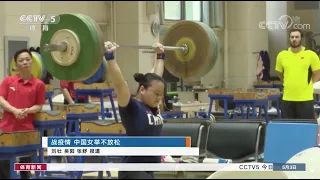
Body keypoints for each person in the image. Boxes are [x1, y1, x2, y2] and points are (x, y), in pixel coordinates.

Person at [104, 41, 165, 179]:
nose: (159, 98)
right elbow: (120, 84)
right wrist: (110, 57)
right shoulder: (132, 108)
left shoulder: (153, 107)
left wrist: (160, 56)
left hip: (147, 171)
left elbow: (156, 77)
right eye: (156, 94)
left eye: (161, 95)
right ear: (142, 89)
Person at [0, 49, 46, 179]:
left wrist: (27, 110)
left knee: (25, 166)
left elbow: (39, 105)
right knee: (3, 163)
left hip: (26, 130)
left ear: (32, 62)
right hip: (6, 129)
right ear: (16, 64)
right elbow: (1, 99)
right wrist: (14, 110)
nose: (25, 62)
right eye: (21, 60)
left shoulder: (39, 84)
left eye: (27, 59)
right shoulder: (8, 81)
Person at [275, 29, 320, 119]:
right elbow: (279, 73)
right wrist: (287, 82)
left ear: (301, 39)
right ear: (289, 39)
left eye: (297, 37)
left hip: (305, 98)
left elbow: (317, 73)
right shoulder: (282, 55)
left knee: (305, 128)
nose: (294, 39)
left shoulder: (311, 55)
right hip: (287, 98)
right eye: (292, 37)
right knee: (288, 128)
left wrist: (307, 84)